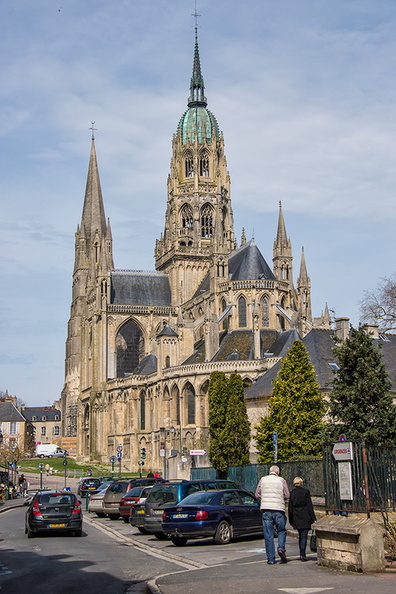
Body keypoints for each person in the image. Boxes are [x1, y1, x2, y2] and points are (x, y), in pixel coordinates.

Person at [255, 465, 290, 565]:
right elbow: (287, 495)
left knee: (268, 535)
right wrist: (280, 496)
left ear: (270, 471)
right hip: (278, 509)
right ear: (278, 472)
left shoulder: (263, 480)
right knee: (281, 530)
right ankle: (281, 548)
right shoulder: (281, 480)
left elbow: (257, 494)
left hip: (266, 509)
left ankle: (271, 558)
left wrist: (264, 497)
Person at [288, 476, 316, 561]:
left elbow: (290, 508)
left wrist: (291, 520)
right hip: (305, 515)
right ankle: (302, 554)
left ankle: (301, 552)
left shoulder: (292, 493)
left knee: (300, 535)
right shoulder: (306, 492)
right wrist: (313, 518)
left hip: (296, 516)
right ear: (301, 483)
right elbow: (309, 506)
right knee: (303, 535)